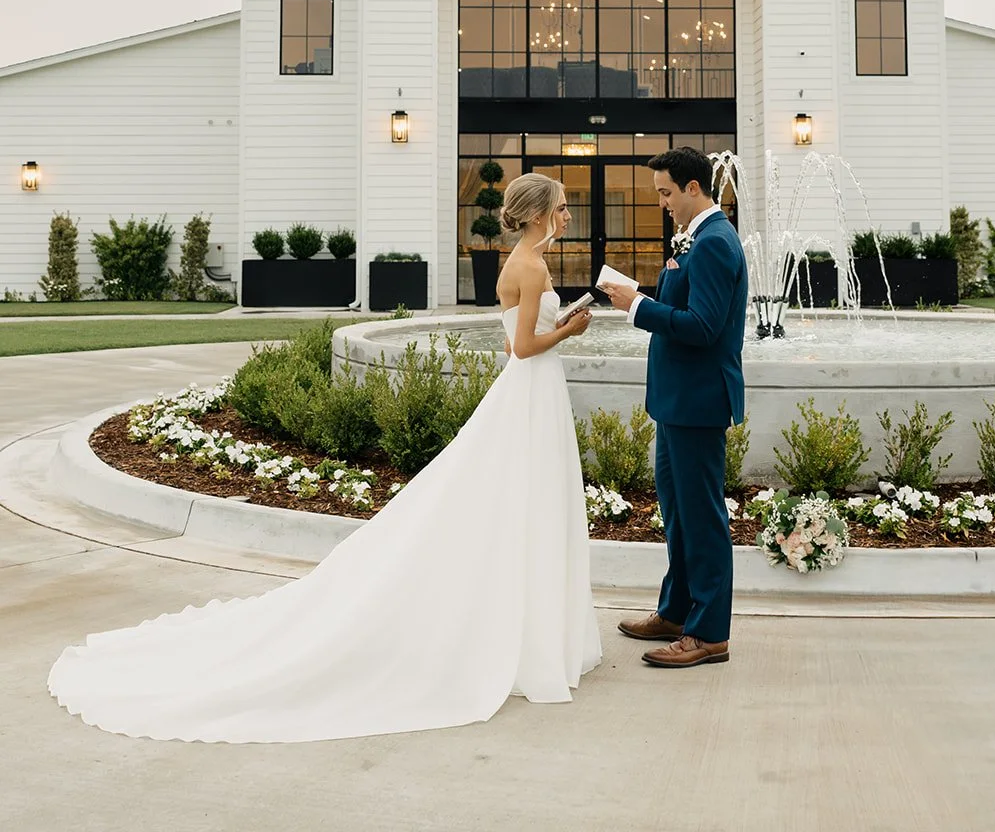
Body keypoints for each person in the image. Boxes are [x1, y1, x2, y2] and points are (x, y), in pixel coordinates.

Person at [48, 173, 601, 742]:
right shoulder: (531, 267)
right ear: (538, 213)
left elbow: (512, 341)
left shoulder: (521, 263)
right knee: (526, 500)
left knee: (522, 499)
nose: (566, 216)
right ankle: (527, 634)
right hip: (531, 388)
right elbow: (523, 348)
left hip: (530, 392)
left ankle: (526, 627)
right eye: (561, 208)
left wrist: (556, 327)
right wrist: (570, 330)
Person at [601, 146, 747, 670]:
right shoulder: (695, 239)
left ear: (693, 188)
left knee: (702, 518)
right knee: (679, 514)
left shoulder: (714, 243)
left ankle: (708, 634)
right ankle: (677, 611)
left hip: (698, 401)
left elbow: (703, 327)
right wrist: (641, 296)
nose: (661, 202)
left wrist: (637, 307)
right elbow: (685, 308)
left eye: (666, 192)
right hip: (677, 400)